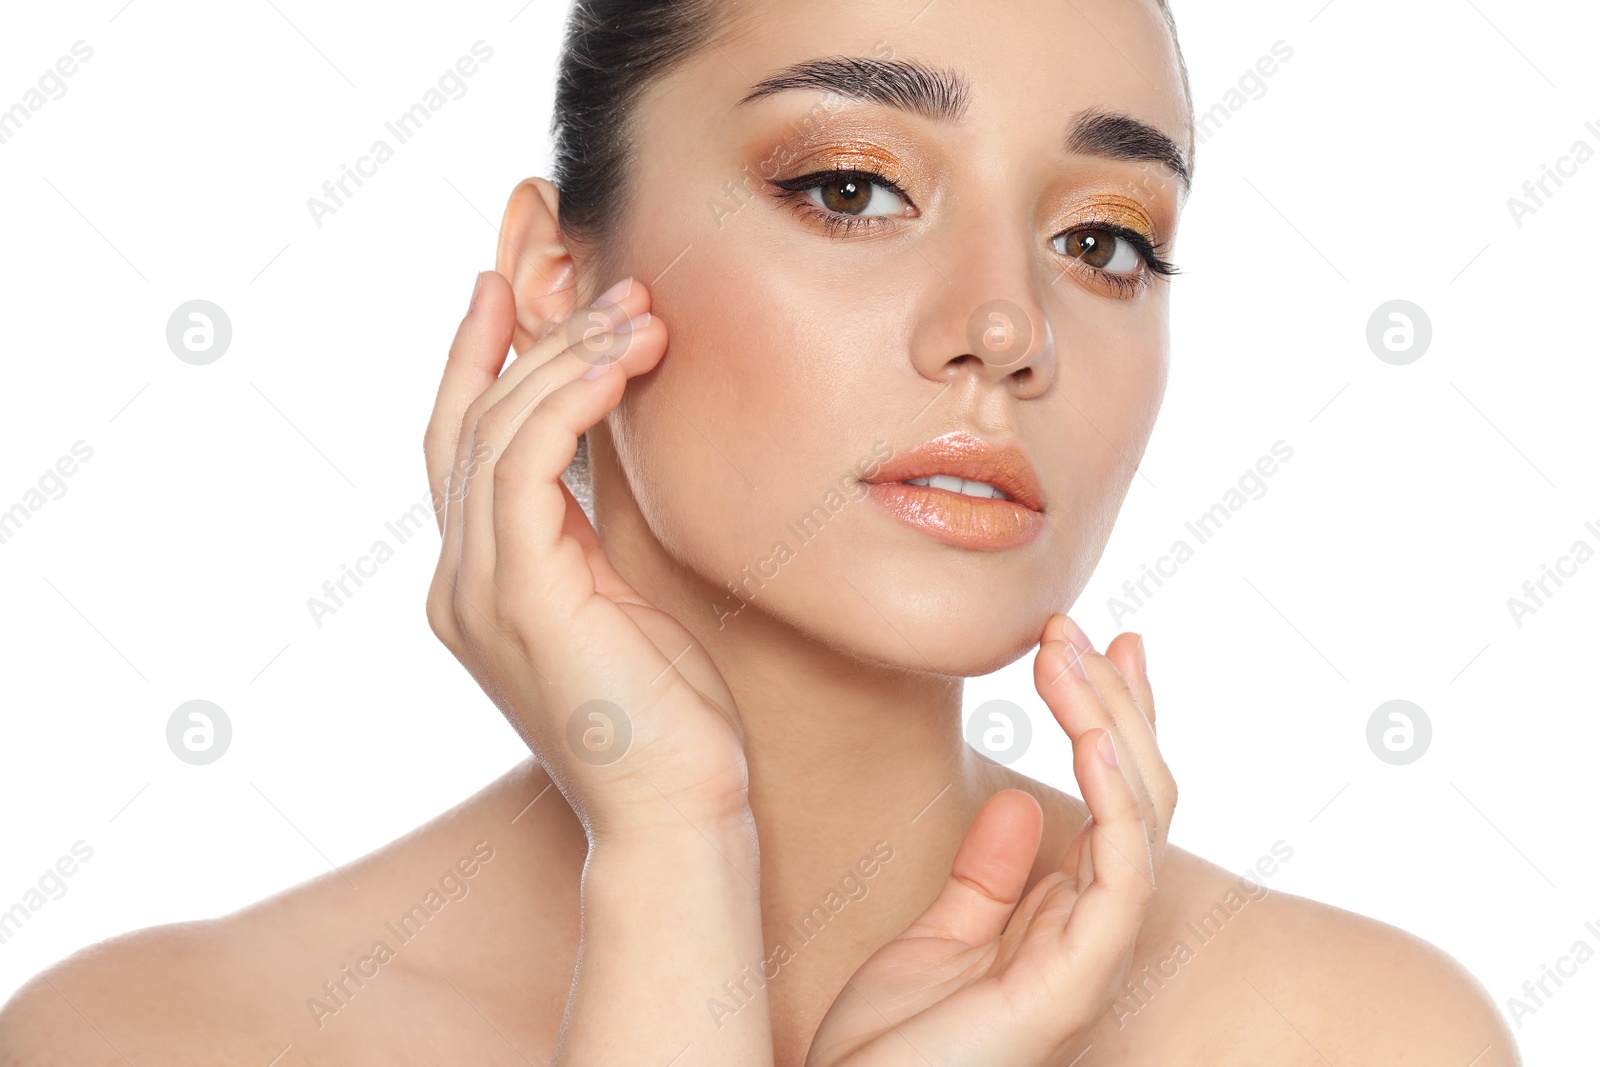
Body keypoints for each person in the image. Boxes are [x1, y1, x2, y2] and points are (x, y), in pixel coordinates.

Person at [0, 0, 1518, 1063]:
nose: (1004, 325)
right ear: (556, 278)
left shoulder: (1357, 1040)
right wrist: (668, 851)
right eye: (851, 188)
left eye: (1103, 238)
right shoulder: (155, 1044)